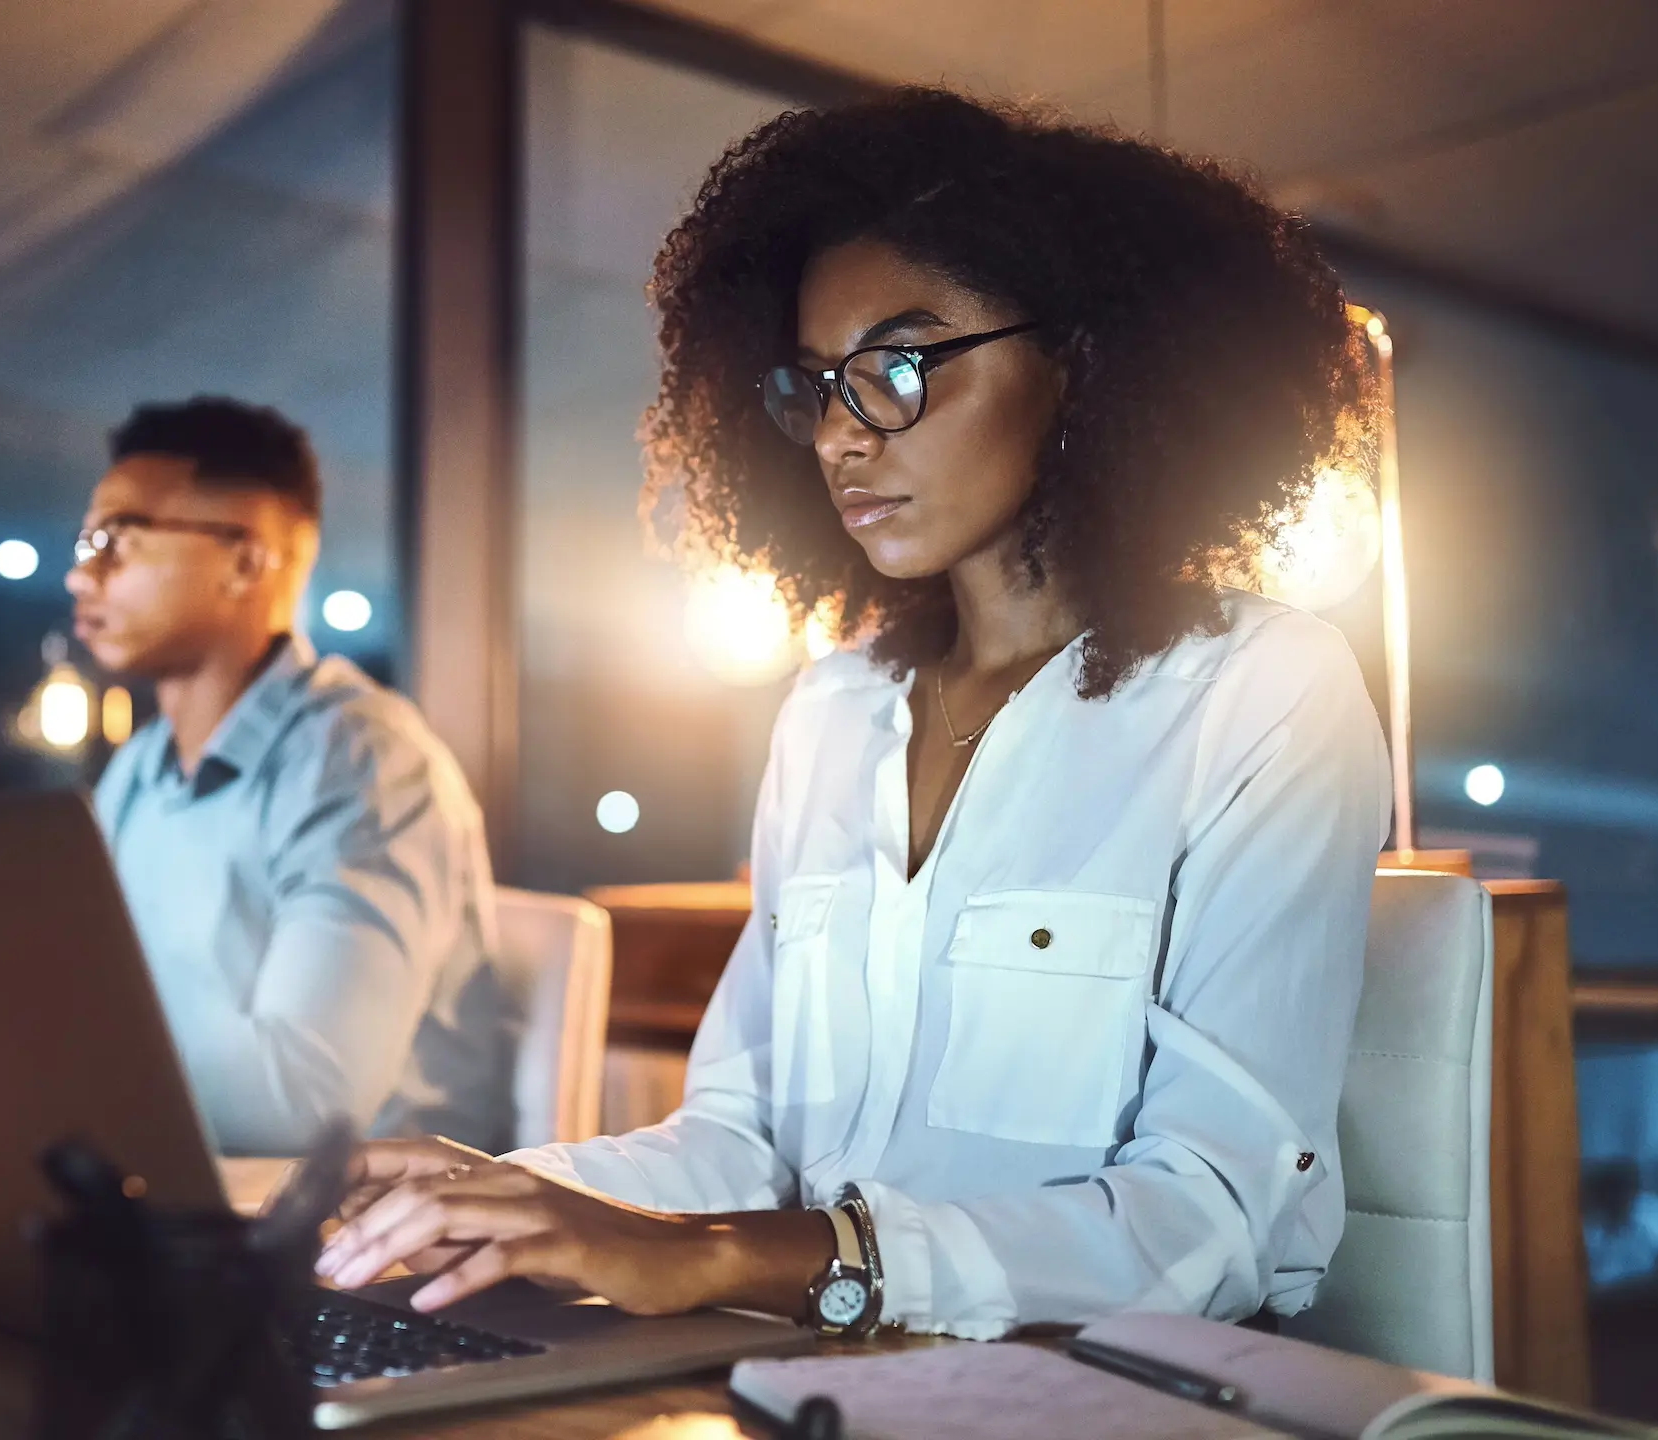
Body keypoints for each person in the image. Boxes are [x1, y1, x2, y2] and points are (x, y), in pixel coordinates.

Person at [319, 90, 1390, 1339]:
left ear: (1087, 360)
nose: (837, 435)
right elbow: (740, 1137)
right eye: (817, 385)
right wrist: (515, 1195)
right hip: (809, 1383)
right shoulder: (832, 710)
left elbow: (1207, 1219)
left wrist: (723, 1258)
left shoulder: (1259, 693)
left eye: (894, 366)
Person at [67, 397, 513, 1156]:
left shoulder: (364, 765)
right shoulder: (141, 771)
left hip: (366, 1244)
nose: (84, 576)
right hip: (183, 1194)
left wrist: (48, 1053)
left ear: (246, 561)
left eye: (118, 538)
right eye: (86, 541)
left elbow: (302, 1106)